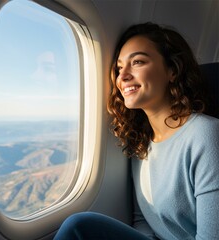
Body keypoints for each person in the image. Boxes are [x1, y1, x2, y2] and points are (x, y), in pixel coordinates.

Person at [53, 22, 219, 240]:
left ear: (172, 70)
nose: (123, 77)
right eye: (119, 68)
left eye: (138, 62)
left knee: (80, 227)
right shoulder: (142, 143)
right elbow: (143, 221)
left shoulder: (206, 135)